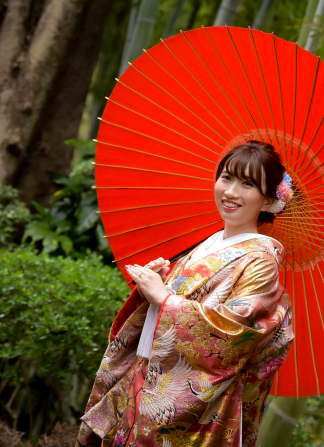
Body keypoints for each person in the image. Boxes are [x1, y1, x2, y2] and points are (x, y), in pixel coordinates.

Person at [77, 140, 295, 447]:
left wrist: (164, 299)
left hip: (185, 407)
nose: (231, 192)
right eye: (227, 177)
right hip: (140, 382)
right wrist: (156, 285)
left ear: (270, 198)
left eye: (247, 183)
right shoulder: (208, 244)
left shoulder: (261, 261)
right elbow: (165, 308)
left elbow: (235, 333)